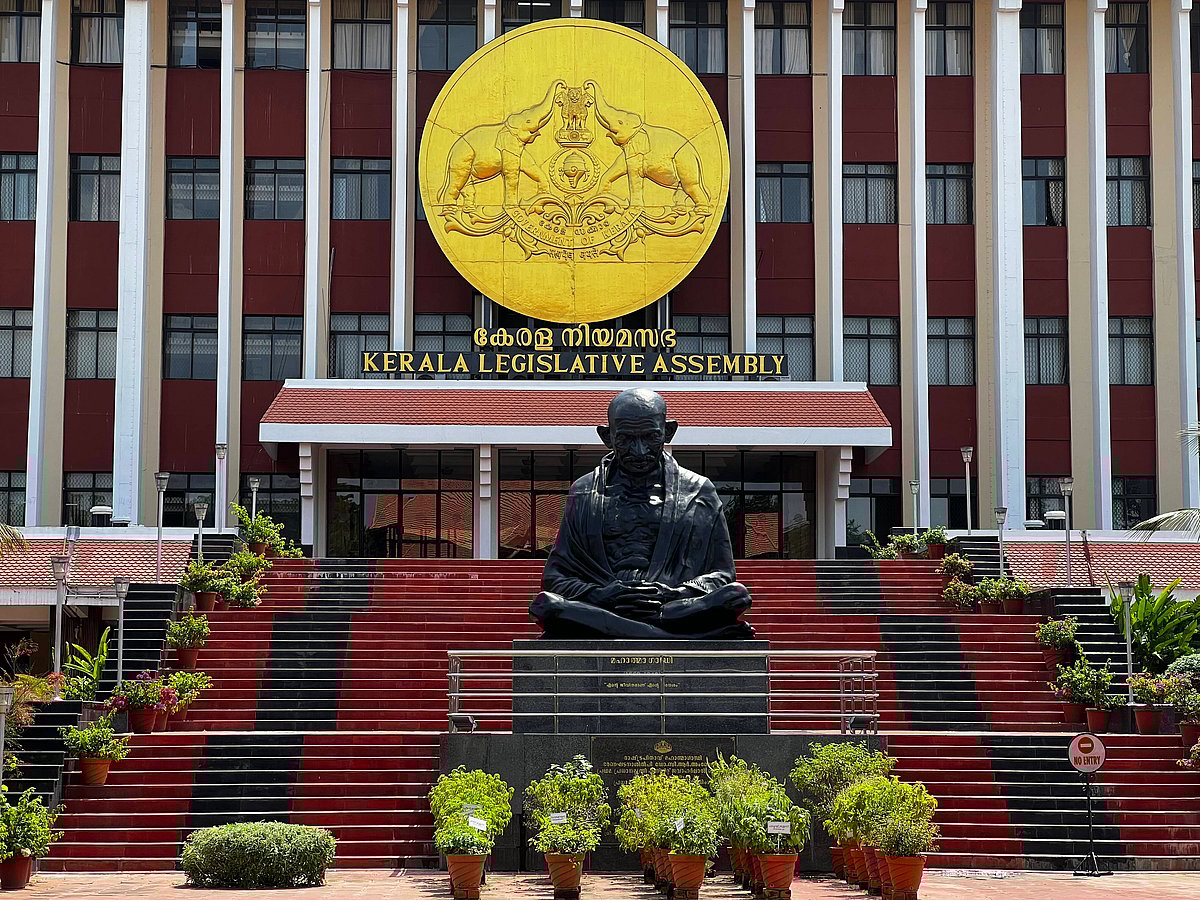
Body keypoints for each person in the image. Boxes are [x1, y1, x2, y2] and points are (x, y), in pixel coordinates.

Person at [528, 388, 753, 639]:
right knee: (546, 605)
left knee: (736, 595)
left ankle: (622, 627)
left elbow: (723, 576)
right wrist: (600, 594)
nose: (639, 451)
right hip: (608, 603)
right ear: (607, 436)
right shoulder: (583, 492)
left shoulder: (699, 492)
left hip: (669, 605)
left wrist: (672, 594)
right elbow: (554, 577)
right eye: (625, 439)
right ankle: (675, 638)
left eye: (650, 437)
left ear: (668, 431)